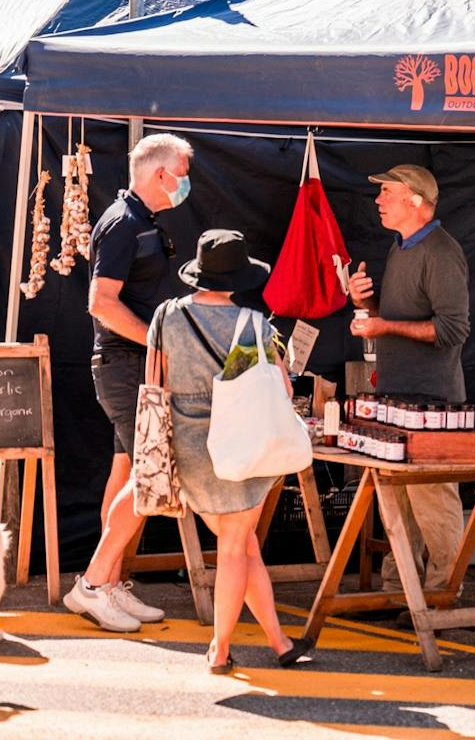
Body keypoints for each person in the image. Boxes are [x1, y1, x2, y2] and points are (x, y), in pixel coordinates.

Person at [148, 229, 316, 671]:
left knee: (239, 546)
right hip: (241, 444)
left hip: (189, 448)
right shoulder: (256, 325)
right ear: (239, 278)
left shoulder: (166, 316)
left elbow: (158, 382)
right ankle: (219, 650)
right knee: (235, 547)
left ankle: (280, 642)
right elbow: (281, 385)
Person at [64, 132, 195, 631]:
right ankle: (94, 585)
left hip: (131, 364)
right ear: (161, 174)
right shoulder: (122, 223)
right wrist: (156, 342)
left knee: (125, 474)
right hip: (125, 364)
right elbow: (100, 302)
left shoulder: (142, 220)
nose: (186, 183)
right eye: (182, 174)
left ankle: (110, 584)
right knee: (144, 477)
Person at [348, 164, 470, 595]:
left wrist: (383, 328)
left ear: (415, 201)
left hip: (435, 403)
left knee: (434, 504)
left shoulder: (440, 251)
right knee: (396, 503)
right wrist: (369, 303)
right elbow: (398, 318)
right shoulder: (400, 248)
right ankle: (399, 592)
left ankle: (441, 596)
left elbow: (453, 330)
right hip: (396, 396)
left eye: (387, 193)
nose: (378, 200)